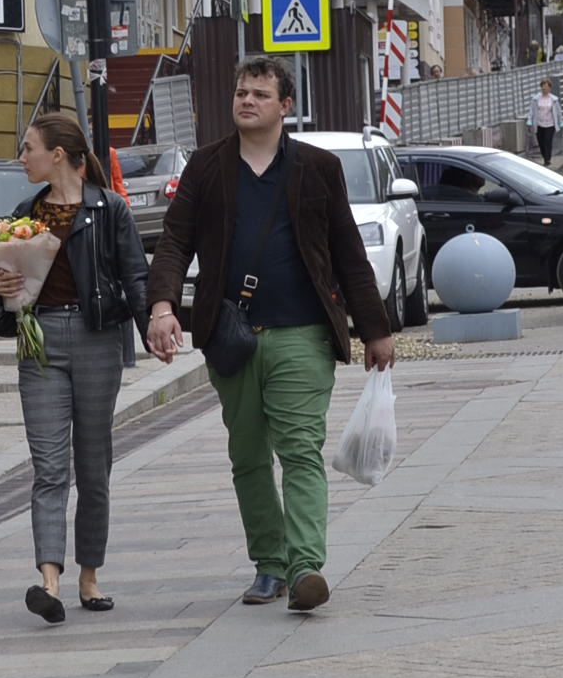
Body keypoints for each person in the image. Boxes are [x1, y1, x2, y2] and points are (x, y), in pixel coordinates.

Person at [145, 55, 396, 614]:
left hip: (301, 334)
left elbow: (348, 255)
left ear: (285, 106)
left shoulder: (317, 168)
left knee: (301, 449)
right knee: (249, 455)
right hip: (231, 337)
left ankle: (305, 565)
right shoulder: (207, 168)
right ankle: (269, 564)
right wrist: (162, 305)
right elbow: (174, 242)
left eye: (260, 93)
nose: (246, 101)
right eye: (241, 92)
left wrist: (374, 330)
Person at [0, 113, 148, 624]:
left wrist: (158, 329)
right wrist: (0, 286)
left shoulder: (110, 209)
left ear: (57, 154)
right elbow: (7, 280)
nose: (22, 157)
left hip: (98, 338)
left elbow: (136, 276)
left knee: (93, 465)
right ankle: (49, 580)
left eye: (28, 148)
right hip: (39, 343)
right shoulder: (23, 212)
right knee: (49, 466)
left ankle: (89, 575)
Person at [529, 77, 563, 167]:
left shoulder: (553, 99)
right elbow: (532, 110)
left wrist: (561, 121)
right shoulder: (536, 99)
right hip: (539, 124)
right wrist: (529, 120)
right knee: (541, 142)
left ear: (550, 88)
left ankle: (547, 159)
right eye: (543, 86)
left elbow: (558, 111)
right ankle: (545, 157)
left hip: (550, 124)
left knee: (547, 141)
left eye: (546, 86)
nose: (544, 88)